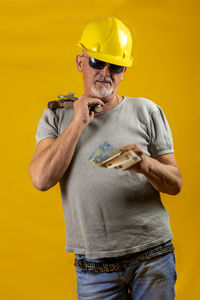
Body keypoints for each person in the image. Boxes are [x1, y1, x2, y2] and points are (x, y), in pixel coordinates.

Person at [29, 16, 182, 300]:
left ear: (124, 71)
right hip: (94, 268)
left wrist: (144, 164)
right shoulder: (57, 115)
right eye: (98, 62)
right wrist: (78, 123)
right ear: (80, 63)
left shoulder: (147, 111)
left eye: (116, 66)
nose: (106, 73)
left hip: (153, 257)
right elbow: (41, 179)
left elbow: (175, 185)